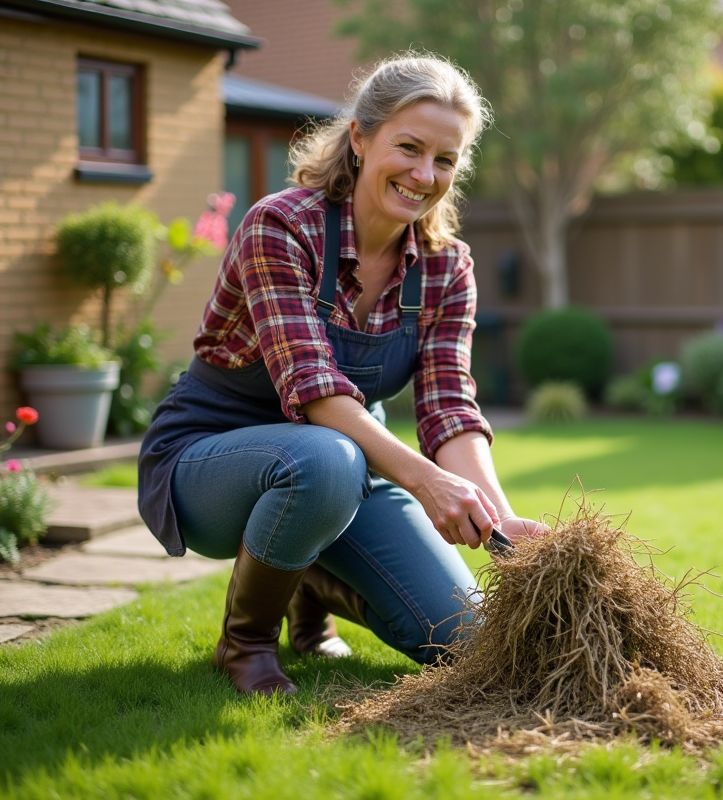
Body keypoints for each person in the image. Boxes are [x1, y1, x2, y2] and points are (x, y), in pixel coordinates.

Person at [138, 54, 545, 697]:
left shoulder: (445, 268)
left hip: (351, 464)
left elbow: (449, 407)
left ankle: (311, 576)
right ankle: (244, 644)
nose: (423, 174)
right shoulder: (281, 226)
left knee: (468, 635)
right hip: (210, 456)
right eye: (408, 147)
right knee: (323, 459)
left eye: (445, 159)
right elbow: (312, 387)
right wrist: (427, 485)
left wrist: (499, 519)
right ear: (359, 138)